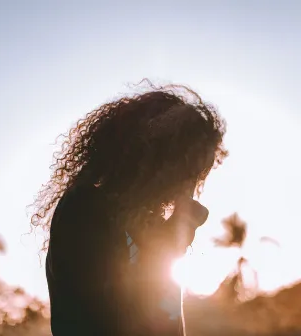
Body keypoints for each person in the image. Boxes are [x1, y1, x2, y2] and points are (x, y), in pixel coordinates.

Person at [31, 79, 228, 335]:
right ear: (154, 156)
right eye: (187, 171)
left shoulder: (141, 223)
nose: (188, 186)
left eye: (196, 176)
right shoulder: (84, 210)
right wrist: (178, 229)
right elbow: (115, 316)